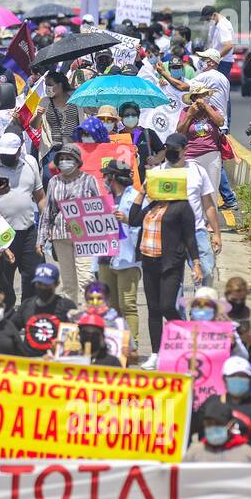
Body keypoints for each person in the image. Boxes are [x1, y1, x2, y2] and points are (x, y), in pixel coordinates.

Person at [128, 172, 203, 358]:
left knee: (167, 306)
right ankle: (156, 353)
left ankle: (185, 338)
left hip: (170, 263)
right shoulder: (151, 206)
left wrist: (196, 263)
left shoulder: (182, 207)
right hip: (148, 262)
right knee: (153, 309)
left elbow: (190, 237)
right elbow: (133, 219)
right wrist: (142, 192)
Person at [192, 356, 251, 490]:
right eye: (233, 376)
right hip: (212, 468)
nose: (238, 379)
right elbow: (194, 428)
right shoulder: (211, 403)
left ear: (250, 380)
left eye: (242, 376)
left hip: (248, 469)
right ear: (224, 379)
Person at [152, 132, 222, 288]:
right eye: (168, 148)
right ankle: (179, 312)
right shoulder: (158, 173)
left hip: (197, 231)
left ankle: (200, 309)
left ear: (185, 150)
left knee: (207, 273)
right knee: (173, 283)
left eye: (174, 148)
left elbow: (208, 204)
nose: (171, 151)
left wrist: (217, 233)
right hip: (169, 235)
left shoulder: (198, 171)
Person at [36, 143, 101, 303]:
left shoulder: (89, 180)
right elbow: (48, 211)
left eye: (69, 158)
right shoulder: (54, 182)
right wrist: (41, 239)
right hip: (60, 236)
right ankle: (70, 317)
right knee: (68, 282)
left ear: (77, 160)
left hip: (84, 235)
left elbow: (99, 208)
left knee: (86, 278)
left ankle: (90, 317)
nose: (65, 161)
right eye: (62, 159)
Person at [0, 132, 45, 311]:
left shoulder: (30, 163)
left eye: (9, 154)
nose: (5, 157)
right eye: (3, 154)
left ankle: (27, 312)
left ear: (18, 150)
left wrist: (45, 227)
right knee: (4, 278)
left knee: (33, 274)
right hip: (2, 233)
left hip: (28, 230)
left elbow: (40, 197)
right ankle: (7, 315)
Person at [95, 159, 141, 352]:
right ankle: (115, 344)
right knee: (111, 306)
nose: (104, 179)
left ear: (113, 177)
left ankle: (132, 345)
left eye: (106, 175)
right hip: (106, 257)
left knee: (127, 304)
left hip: (127, 259)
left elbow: (145, 224)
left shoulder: (136, 198)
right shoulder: (104, 199)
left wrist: (128, 219)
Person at [13, 264, 78, 357]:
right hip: (29, 363)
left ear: (56, 284)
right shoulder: (27, 305)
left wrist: (62, 347)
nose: (42, 288)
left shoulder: (66, 306)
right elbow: (11, 328)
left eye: (47, 285)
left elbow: (74, 340)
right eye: (39, 284)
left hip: (56, 362)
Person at [224, 275, 251, 397]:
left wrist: (247, 337)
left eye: (240, 299)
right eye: (233, 299)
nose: (236, 303)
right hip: (224, 364)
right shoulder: (220, 316)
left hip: (248, 364)